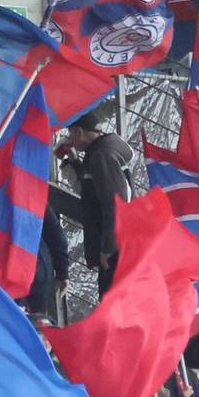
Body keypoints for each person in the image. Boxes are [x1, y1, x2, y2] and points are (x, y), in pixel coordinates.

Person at [65, 106, 134, 288]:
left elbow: (115, 202)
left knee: (111, 299)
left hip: (116, 247)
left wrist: (108, 247)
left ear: (79, 132)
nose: (70, 141)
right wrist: (74, 162)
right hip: (122, 242)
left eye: (71, 135)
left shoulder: (101, 156)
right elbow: (93, 186)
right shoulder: (103, 150)